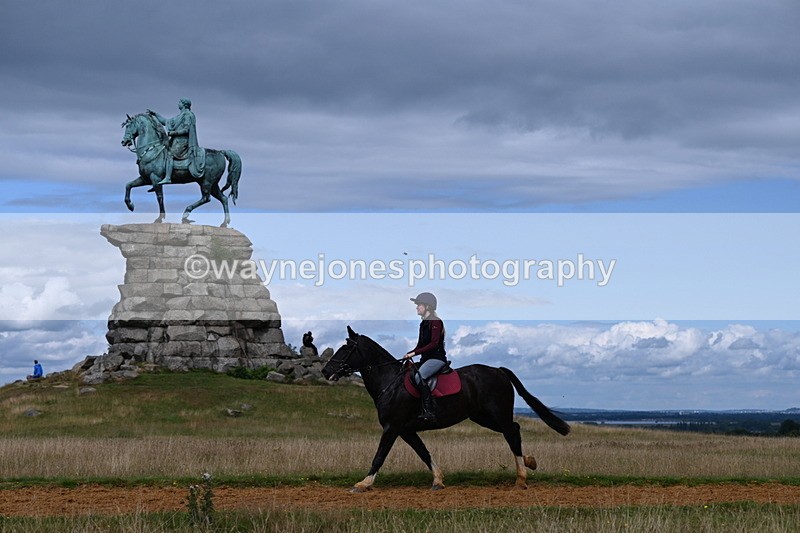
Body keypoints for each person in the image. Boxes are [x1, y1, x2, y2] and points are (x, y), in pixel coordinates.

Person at [403, 292, 446, 422]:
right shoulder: (423, 324)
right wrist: (409, 353)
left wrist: (414, 354)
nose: (417, 307)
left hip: (436, 359)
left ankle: (429, 410)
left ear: (427, 307)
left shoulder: (436, 322)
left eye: (419, 305)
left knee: (419, 377)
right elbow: (419, 346)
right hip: (425, 359)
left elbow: (433, 344)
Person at [146, 98, 205, 190]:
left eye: (180, 102)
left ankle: (168, 177)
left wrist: (173, 133)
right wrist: (155, 114)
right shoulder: (180, 116)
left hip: (183, 142)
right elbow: (166, 122)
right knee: (162, 152)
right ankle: (158, 178)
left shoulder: (188, 115)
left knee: (169, 154)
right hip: (175, 141)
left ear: (184, 104)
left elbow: (186, 130)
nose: (178, 104)